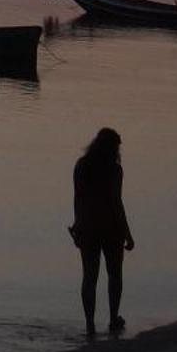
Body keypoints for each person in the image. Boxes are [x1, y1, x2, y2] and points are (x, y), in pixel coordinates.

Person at [70, 127, 134, 336]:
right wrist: (128, 234)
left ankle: (90, 324)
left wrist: (78, 226)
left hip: (87, 227)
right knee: (114, 274)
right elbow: (116, 202)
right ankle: (113, 317)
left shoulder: (81, 166)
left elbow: (78, 199)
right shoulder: (114, 170)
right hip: (111, 228)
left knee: (89, 277)